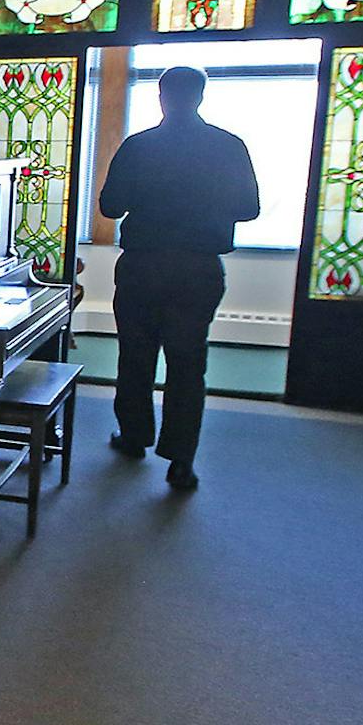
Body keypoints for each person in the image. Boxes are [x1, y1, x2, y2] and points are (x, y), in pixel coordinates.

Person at [97, 65, 260, 491]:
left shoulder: (139, 146)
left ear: (161, 96)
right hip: (198, 268)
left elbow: (111, 207)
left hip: (142, 264)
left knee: (135, 356)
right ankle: (181, 460)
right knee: (188, 364)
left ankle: (134, 437)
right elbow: (249, 209)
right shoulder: (228, 147)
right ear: (201, 97)